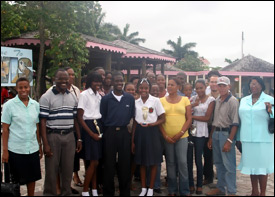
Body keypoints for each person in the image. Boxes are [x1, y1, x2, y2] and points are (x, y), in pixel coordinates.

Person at [39, 69, 82, 196]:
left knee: (68, 170)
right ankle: (49, 194)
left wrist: (79, 138)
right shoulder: (46, 97)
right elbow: (42, 122)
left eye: (66, 79)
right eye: (60, 79)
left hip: (69, 137)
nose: (64, 81)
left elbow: (75, 119)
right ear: (54, 79)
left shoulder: (72, 96)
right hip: (53, 136)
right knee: (52, 171)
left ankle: (66, 193)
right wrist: (45, 143)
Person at [1, 77, 42, 196]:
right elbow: (5, 129)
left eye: (26, 87)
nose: (23, 90)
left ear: (29, 88)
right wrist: (5, 151)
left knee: (32, 177)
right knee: (16, 181)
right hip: (15, 149)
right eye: (20, 87)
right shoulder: (9, 105)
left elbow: (37, 127)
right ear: (16, 89)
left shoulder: (35, 105)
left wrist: (40, 145)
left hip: (32, 148)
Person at [100, 71, 135, 196]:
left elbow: (132, 115)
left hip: (124, 133)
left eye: (121, 81)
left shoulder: (130, 98)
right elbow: (103, 116)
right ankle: (108, 192)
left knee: (124, 164)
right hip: (110, 133)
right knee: (109, 163)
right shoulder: (106, 99)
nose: (119, 83)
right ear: (112, 82)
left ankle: (124, 192)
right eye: (117, 81)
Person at [238, 77, 274, 196]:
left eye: (256, 84)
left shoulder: (269, 99)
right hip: (247, 138)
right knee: (252, 167)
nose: (254, 86)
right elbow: (240, 118)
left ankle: (262, 193)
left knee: (262, 168)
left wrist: (270, 111)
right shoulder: (244, 100)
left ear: (262, 85)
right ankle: (254, 191)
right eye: (252, 84)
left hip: (263, 139)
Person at [132, 78, 165, 196]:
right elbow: (135, 122)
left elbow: (162, 118)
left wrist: (152, 124)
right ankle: (144, 188)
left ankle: (151, 188)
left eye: (146, 88)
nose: (143, 90)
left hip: (152, 132)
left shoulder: (155, 101)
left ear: (149, 89)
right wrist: (132, 140)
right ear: (138, 89)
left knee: (153, 161)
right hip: (140, 132)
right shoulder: (135, 102)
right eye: (141, 88)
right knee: (141, 162)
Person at [207, 76, 239, 196]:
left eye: (223, 86)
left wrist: (229, 141)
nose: (221, 88)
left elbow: (235, 123)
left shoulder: (233, 101)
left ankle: (231, 191)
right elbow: (215, 121)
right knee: (219, 163)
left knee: (229, 164)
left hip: (226, 134)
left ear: (229, 87)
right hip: (216, 133)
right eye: (219, 85)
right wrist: (211, 137)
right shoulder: (217, 100)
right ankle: (221, 187)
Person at [160, 78, 192, 196]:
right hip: (168, 137)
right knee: (170, 163)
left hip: (182, 137)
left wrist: (181, 132)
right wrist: (165, 135)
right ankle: (172, 190)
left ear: (178, 86)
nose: (169, 87)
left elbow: (189, 118)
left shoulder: (185, 100)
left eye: (172, 85)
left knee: (182, 162)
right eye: (168, 85)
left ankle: (185, 190)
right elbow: (160, 120)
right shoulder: (161, 100)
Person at [78, 71, 104, 196]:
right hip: (88, 127)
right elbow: (80, 117)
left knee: (96, 161)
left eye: (99, 81)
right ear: (90, 82)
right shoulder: (84, 95)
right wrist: (90, 134)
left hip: (97, 125)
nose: (97, 84)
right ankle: (85, 190)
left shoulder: (98, 95)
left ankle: (94, 189)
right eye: (95, 81)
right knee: (93, 161)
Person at [188, 79, 215, 195]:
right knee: (188, 160)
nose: (199, 90)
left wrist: (192, 117)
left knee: (198, 159)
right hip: (191, 131)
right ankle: (190, 184)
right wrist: (193, 106)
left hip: (201, 132)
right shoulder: (193, 99)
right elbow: (186, 111)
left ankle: (199, 184)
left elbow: (207, 118)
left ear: (205, 87)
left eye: (201, 88)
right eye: (197, 88)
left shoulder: (211, 100)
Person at [203, 73, 220, 185]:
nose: (214, 84)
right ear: (209, 83)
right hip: (207, 126)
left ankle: (221, 176)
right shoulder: (206, 95)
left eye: (216, 82)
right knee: (207, 153)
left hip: (219, 127)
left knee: (218, 153)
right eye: (212, 82)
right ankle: (208, 176)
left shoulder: (223, 95)